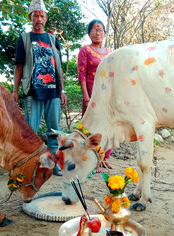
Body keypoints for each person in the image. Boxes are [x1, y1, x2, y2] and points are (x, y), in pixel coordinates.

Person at [12, 0, 66, 176]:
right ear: (30, 18)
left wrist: (62, 90)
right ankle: (31, 164)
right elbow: (19, 66)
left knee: (53, 130)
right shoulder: (24, 39)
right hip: (33, 91)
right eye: (36, 15)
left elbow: (58, 66)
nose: (39, 19)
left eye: (42, 15)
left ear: (46, 18)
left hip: (53, 91)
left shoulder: (53, 39)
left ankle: (52, 163)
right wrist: (15, 91)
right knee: (31, 132)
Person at [77, 19, 112, 172]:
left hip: (108, 94)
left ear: (104, 33)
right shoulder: (85, 50)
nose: (97, 33)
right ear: (89, 33)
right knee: (93, 126)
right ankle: (92, 159)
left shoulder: (110, 51)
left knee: (108, 125)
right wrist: (86, 96)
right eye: (94, 30)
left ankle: (103, 158)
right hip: (92, 92)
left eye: (100, 30)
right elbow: (82, 74)